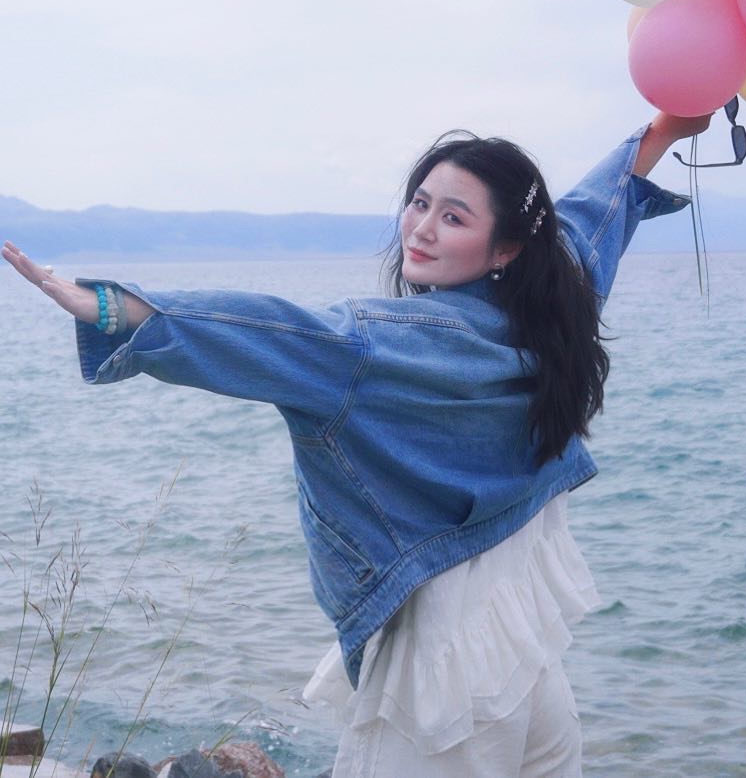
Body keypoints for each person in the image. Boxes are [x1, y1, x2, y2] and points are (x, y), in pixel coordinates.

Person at [2, 110, 707, 777]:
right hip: (529, 657)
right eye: (420, 203)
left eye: (453, 217)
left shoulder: (379, 345)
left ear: (506, 249)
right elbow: (587, 220)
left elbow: (272, 330)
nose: (422, 228)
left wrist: (113, 308)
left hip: (445, 672)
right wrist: (659, 132)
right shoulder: (555, 304)